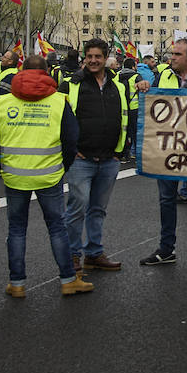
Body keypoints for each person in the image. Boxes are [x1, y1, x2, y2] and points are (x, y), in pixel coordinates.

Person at [0, 55, 86, 298]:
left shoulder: (3, 102)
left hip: (14, 175)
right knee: (57, 228)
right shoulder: (58, 101)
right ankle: (67, 279)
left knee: (17, 230)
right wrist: (63, 165)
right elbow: (72, 139)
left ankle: (17, 283)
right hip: (49, 174)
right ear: (47, 72)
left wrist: (0, 168)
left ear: (21, 71)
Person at [136, 38, 187, 266]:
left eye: (177, 54)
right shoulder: (164, 74)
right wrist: (146, 86)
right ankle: (166, 249)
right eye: (172, 54)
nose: (172, 58)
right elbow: (155, 102)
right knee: (166, 199)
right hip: (168, 148)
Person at [64, 39, 127, 274]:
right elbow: (61, 120)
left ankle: (94, 253)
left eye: (97, 57)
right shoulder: (72, 84)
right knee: (76, 209)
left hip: (109, 159)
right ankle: (72, 255)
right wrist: (71, 149)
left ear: (105, 57)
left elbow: (124, 116)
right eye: (89, 56)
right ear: (84, 57)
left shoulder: (118, 85)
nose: (93, 60)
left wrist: (119, 153)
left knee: (98, 210)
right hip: (81, 159)